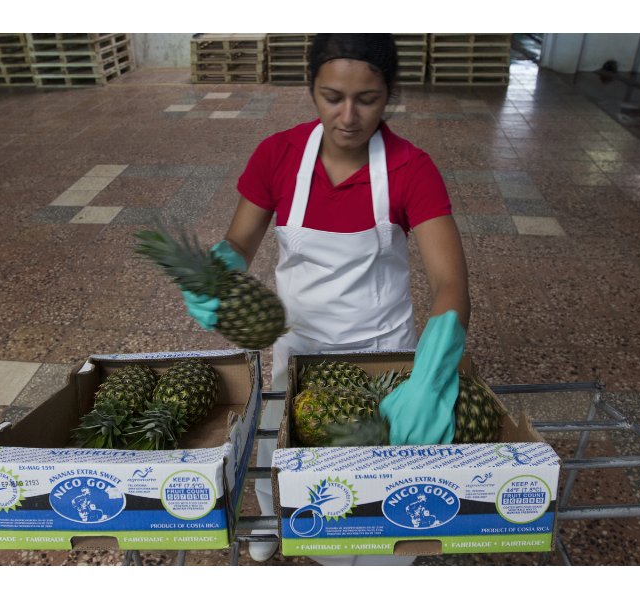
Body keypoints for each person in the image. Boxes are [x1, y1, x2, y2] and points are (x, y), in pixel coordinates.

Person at [184, 33, 470, 564]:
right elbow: (241, 241)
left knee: (381, 467)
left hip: (381, 348)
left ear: (389, 95)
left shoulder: (411, 168)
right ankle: (273, 519)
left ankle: (383, 546)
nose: (348, 116)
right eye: (331, 96)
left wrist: (432, 370)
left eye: (368, 100)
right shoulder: (279, 156)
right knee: (282, 445)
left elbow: (450, 281)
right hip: (302, 342)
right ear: (311, 88)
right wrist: (218, 272)